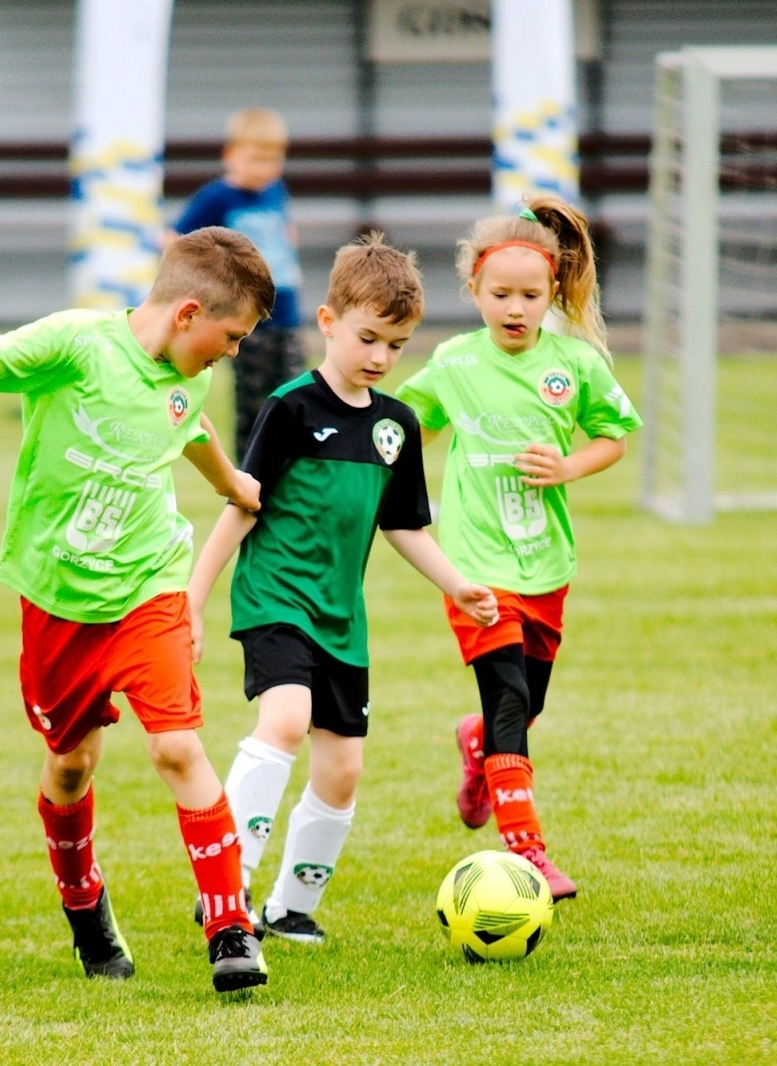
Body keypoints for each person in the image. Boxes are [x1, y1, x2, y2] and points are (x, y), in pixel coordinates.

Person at [0, 227, 279, 992]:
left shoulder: (187, 374)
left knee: (177, 748)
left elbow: (185, 423)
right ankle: (85, 907)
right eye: (231, 337)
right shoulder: (75, 343)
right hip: (59, 598)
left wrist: (230, 483)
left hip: (148, 586)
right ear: (188, 314)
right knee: (70, 767)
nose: (232, 354)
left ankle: (231, 928)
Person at [187, 234, 499, 944]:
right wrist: (195, 598)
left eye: (397, 345)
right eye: (368, 338)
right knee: (285, 720)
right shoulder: (291, 408)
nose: (382, 357)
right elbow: (242, 504)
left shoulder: (397, 426)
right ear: (327, 322)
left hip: (341, 618)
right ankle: (226, 885)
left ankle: (290, 907)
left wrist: (457, 585)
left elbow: (404, 524)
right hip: (276, 597)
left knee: (343, 769)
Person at [395, 196, 642, 902]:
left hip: (546, 565)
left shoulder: (575, 365)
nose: (515, 308)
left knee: (525, 704)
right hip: (475, 568)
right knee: (508, 699)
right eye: (500, 294)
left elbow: (613, 438)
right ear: (474, 288)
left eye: (530, 296)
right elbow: (407, 431)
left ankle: (476, 744)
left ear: (553, 292)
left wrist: (569, 466)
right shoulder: (454, 363)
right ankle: (528, 852)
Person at [171, 107, 306, 455]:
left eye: (273, 160)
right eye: (255, 159)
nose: (264, 169)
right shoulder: (217, 198)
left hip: (285, 312)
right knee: (254, 399)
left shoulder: (276, 191)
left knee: (294, 392)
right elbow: (175, 240)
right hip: (247, 320)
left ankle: (288, 462)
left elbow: (284, 232)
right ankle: (250, 466)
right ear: (231, 154)